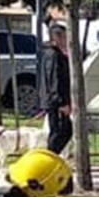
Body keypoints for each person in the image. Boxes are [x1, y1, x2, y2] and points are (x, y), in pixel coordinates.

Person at [39, 22, 72, 154]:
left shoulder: (55, 54)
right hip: (56, 102)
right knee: (61, 132)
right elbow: (55, 80)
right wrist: (61, 103)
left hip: (55, 101)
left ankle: (51, 156)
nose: (66, 41)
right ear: (56, 38)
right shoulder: (53, 55)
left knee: (61, 131)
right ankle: (49, 157)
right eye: (64, 37)